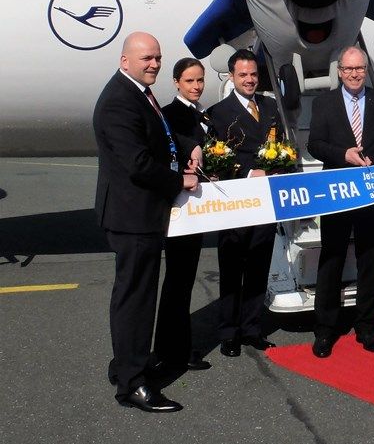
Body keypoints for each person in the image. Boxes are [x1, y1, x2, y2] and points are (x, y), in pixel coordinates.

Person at [93, 31, 200, 413]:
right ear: (125, 61)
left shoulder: (138, 92)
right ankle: (133, 385)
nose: (154, 63)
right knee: (135, 299)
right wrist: (180, 180)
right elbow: (137, 164)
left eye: (157, 57)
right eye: (146, 59)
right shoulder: (120, 103)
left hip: (139, 212)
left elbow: (159, 140)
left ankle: (126, 363)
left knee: (135, 295)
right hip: (132, 215)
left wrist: (185, 154)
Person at [306, 46, 374, 358]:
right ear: (339, 71)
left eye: (359, 69)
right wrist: (343, 155)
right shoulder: (324, 102)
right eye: (348, 69)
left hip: (372, 193)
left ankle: (366, 327)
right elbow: (315, 144)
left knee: (369, 259)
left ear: (366, 70)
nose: (354, 74)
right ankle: (325, 330)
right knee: (331, 260)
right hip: (337, 192)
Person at [207, 49, 283, 358]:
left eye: (253, 75)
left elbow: (281, 147)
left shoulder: (270, 107)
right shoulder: (219, 112)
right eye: (243, 75)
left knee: (258, 267)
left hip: (264, 202)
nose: (250, 80)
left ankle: (252, 329)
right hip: (235, 203)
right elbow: (215, 156)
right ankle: (229, 332)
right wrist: (251, 170)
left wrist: (280, 165)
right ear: (231, 77)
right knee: (231, 270)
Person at [153, 58, 214, 372]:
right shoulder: (170, 113)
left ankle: (174, 345)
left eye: (200, 80)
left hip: (200, 208)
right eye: (190, 81)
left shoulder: (203, 113)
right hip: (181, 208)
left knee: (184, 279)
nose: (197, 86)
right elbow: (172, 147)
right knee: (178, 281)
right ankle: (175, 349)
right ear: (176, 82)